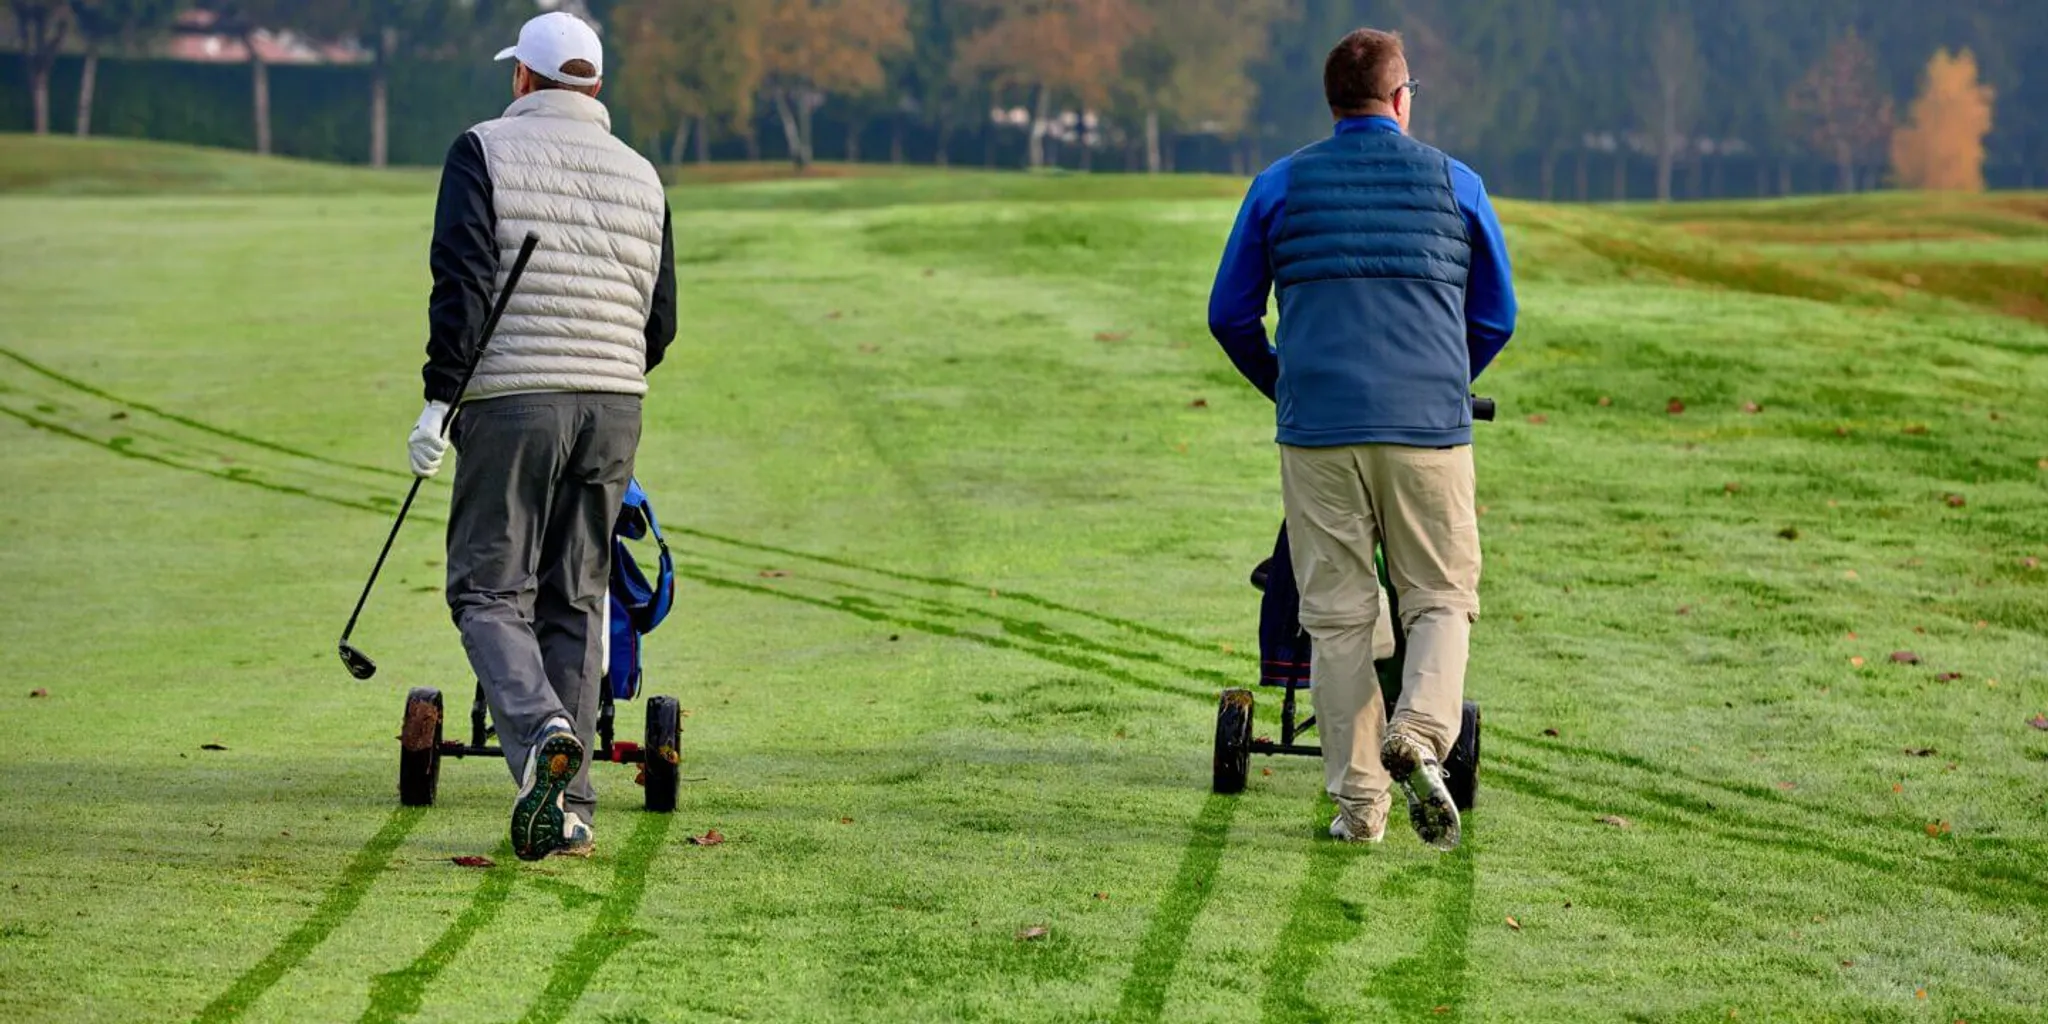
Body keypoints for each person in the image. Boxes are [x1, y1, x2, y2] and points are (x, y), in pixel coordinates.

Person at [1206, 28, 1516, 850]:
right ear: (1401, 98)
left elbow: (1229, 315)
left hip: (1319, 436)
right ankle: (1419, 728)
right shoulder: (1458, 184)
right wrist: (1448, 379)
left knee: (1339, 619)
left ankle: (1359, 809)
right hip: (1428, 433)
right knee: (1442, 596)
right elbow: (1496, 315)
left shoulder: (1279, 185)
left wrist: (1287, 383)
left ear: (1333, 101)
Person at [407, 10, 678, 862]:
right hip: (616, 402)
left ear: (522, 78)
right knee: (574, 596)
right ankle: (570, 809)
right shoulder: (644, 173)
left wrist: (435, 404)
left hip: (514, 400)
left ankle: (543, 730)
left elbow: (460, 284)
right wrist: (602, 378)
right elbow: (659, 323)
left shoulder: (481, 149)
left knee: (487, 590)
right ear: (593, 85)